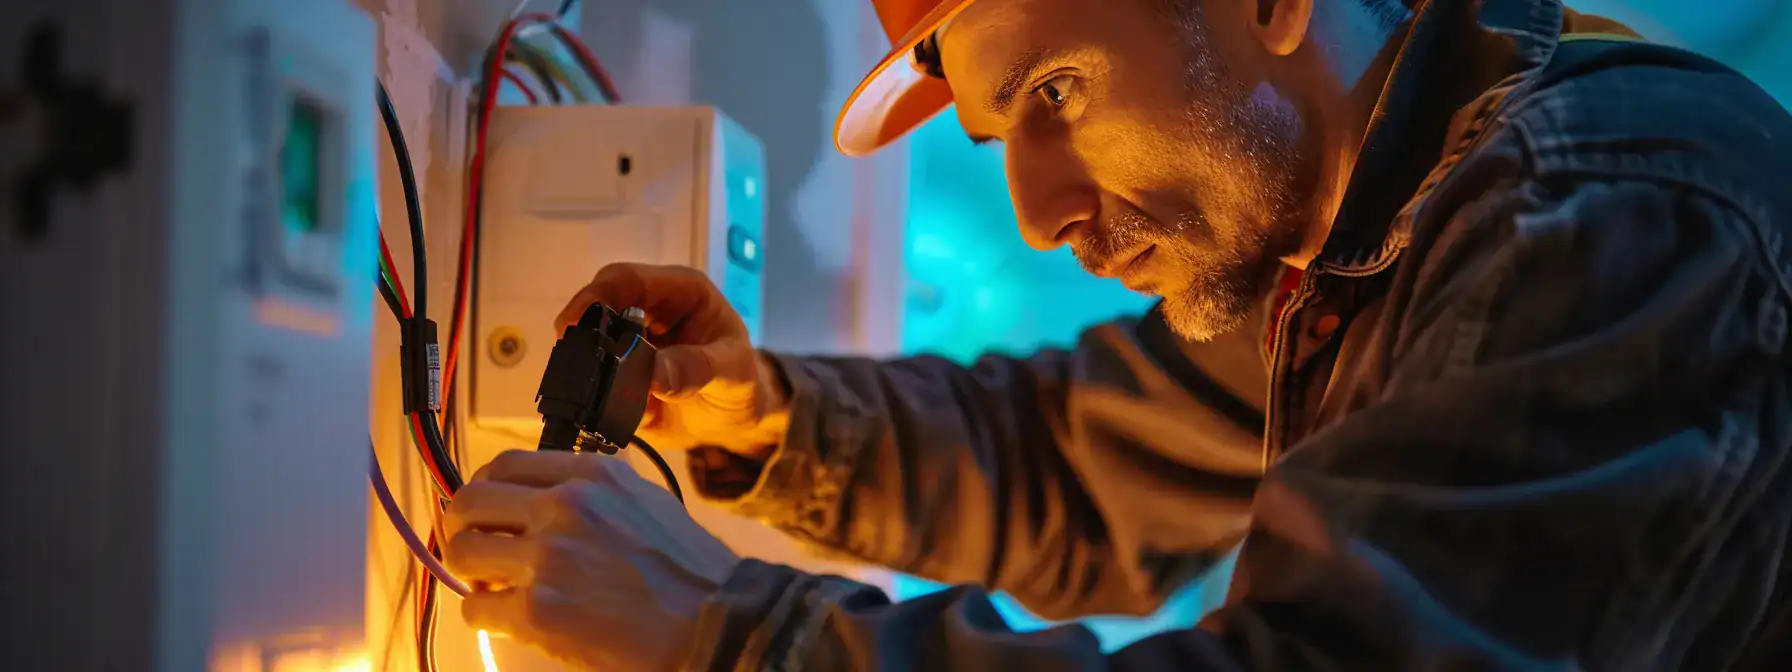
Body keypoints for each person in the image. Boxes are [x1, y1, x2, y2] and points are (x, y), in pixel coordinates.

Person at [439, 0, 1792, 668]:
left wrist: (724, 632)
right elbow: (1077, 466)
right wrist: (763, 421)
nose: (1038, 216)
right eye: (1001, 136)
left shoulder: (1596, 210)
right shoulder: (1366, 241)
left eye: (1057, 93)